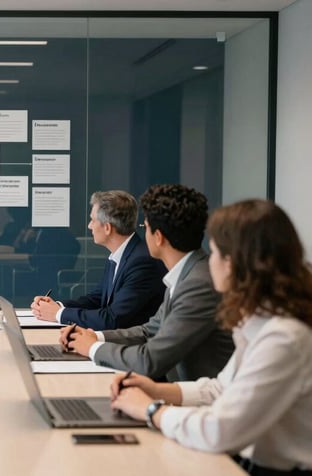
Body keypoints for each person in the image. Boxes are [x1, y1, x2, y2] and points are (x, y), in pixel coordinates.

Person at [110, 199, 312, 475]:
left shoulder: (284, 338)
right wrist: (157, 390)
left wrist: (151, 410)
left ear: (234, 263)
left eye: (214, 251)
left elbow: (219, 431)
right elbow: (220, 389)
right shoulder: (259, 322)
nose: (209, 260)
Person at [61, 184, 234, 381]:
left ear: (158, 237)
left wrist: (92, 347)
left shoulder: (198, 284)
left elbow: (148, 361)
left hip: (201, 402)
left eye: (145, 227)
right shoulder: (185, 275)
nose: (142, 235)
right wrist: (94, 336)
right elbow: (147, 331)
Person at [31, 190, 166, 329]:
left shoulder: (142, 262)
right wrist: (57, 306)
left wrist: (58, 314)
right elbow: (97, 299)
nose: (90, 226)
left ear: (107, 228)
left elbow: (112, 319)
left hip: (132, 346)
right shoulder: (120, 255)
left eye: (93, 220)